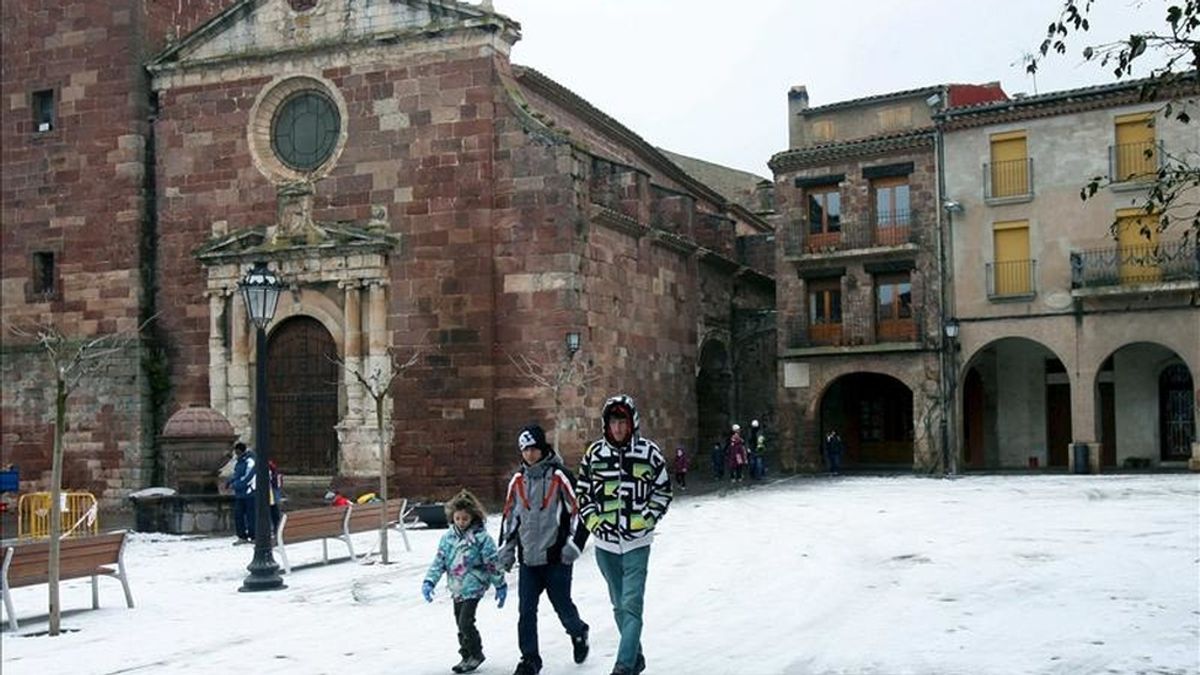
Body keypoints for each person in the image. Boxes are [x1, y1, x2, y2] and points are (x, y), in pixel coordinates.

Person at [576, 395, 672, 675]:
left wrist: (646, 519)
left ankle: (624, 665)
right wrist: (594, 521)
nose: (618, 428)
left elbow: (663, 490)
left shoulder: (649, 453)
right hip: (605, 544)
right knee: (619, 605)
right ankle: (636, 656)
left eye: (623, 421)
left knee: (631, 604)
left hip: (637, 542)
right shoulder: (594, 455)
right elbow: (582, 492)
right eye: (613, 422)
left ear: (632, 423)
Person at [498, 424, 590, 675]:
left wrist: (574, 545)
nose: (529, 454)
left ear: (542, 448)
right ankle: (529, 660)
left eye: (533, 448)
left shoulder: (560, 476)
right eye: (524, 449)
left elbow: (581, 513)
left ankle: (578, 631)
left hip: (556, 557)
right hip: (528, 559)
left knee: (562, 605)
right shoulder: (517, 480)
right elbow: (510, 517)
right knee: (526, 610)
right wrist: (506, 549)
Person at [422, 489, 508, 674]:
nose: (461, 522)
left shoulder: (481, 539)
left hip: (474, 586)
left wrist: (499, 584)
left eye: (465, 519)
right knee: (459, 623)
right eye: (457, 518)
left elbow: (492, 563)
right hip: (456, 587)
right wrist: (430, 581)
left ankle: (476, 654)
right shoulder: (448, 538)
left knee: (465, 622)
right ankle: (466, 655)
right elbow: (439, 562)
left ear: (473, 518)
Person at [224, 442, 255, 543]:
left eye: (237, 452)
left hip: (250, 493)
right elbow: (237, 474)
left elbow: (248, 477)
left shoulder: (250, 461)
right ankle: (242, 536)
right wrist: (230, 481)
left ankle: (253, 536)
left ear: (242, 451)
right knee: (239, 515)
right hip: (240, 494)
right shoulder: (240, 462)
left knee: (251, 516)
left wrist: (235, 485)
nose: (236, 454)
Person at [267, 459, 283, 535]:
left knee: (272, 510)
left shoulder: (267, 466)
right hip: (273, 492)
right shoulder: (271, 466)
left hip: (271, 492)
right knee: (274, 509)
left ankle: (273, 528)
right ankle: (276, 529)